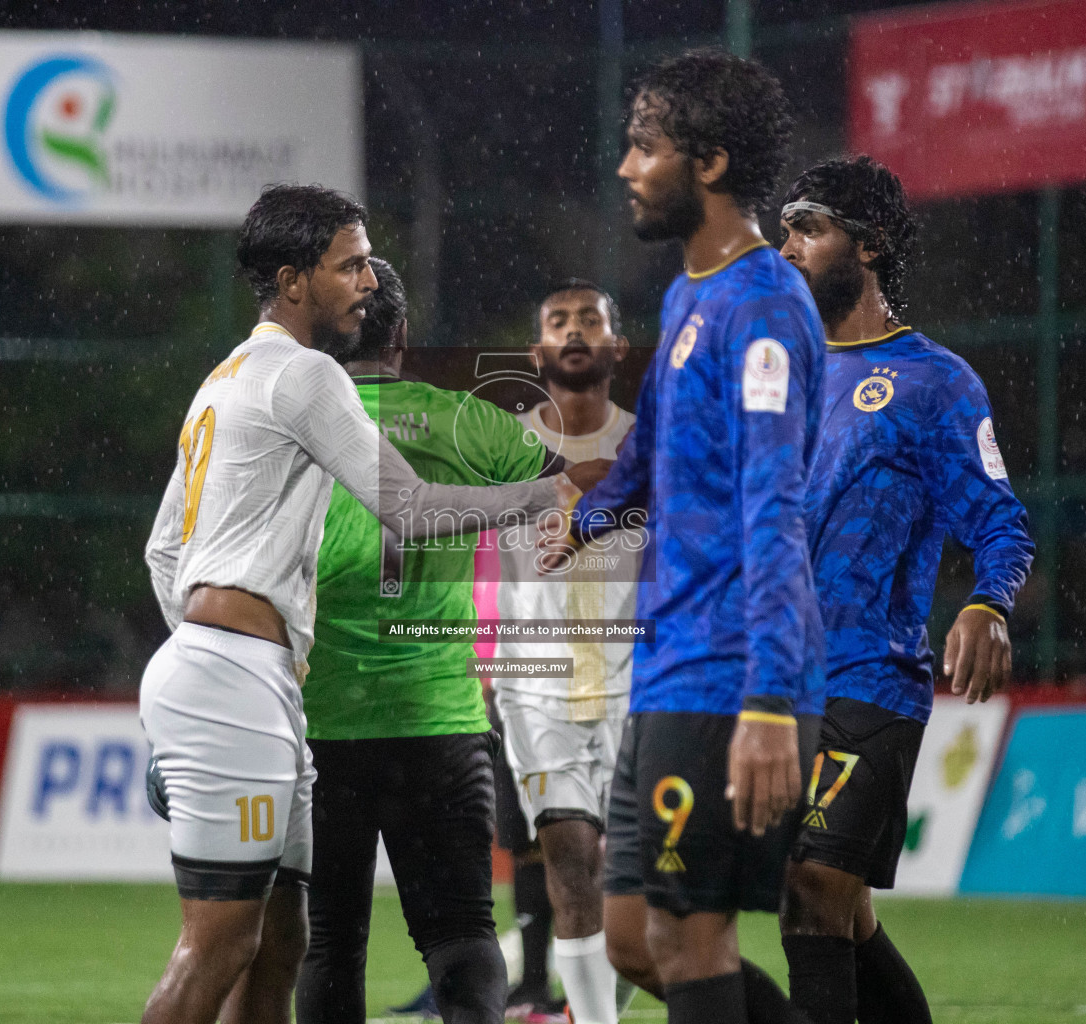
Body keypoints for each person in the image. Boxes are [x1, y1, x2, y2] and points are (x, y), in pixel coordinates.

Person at [138, 185, 579, 1024]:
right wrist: (540, 495)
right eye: (350, 265)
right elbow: (409, 509)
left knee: (289, 940)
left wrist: (213, 647)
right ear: (293, 279)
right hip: (251, 680)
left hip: (255, 680)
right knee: (221, 945)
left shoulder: (225, 376)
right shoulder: (306, 372)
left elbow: (164, 550)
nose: (369, 282)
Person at [546, 49, 826, 1024]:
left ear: (706, 164)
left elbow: (774, 506)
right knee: (630, 937)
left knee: (691, 937)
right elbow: (653, 457)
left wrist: (769, 701)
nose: (627, 167)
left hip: (729, 675)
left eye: (644, 146)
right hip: (669, 665)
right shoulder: (688, 298)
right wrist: (582, 519)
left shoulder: (761, 307)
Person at [295, 257, 607, 1024]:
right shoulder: (461, 419)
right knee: (463, 935)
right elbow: (576, 489)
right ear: (401, 333)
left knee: (330, 942)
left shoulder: (289, 422)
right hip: (439, 715)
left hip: (323, 716)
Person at [776, 156, 1034, 1024]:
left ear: (871, 244)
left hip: (871, 681)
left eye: (807, 227)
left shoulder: (933, 383)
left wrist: (987, 603)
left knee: (812, 892)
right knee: (840, 911)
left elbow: (1002, 522)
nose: (787, 247)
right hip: (775, 684)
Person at [492, 279, 640, 1024]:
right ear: (537, 350)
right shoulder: (504, 445)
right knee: (570, 856)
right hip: (536, 687)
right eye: (559, 321)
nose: (576, 331)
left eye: (591, 321)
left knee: (634, 880)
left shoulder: (651, 443)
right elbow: (476, 562)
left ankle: (599, 1001)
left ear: (616, 345)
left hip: (637, 684)